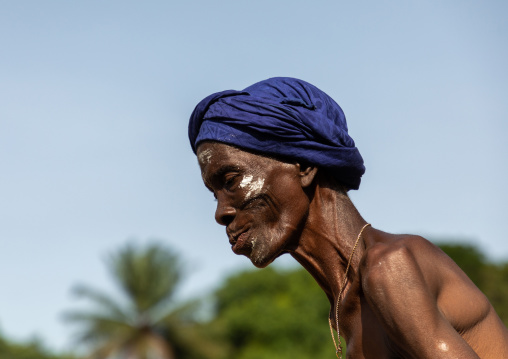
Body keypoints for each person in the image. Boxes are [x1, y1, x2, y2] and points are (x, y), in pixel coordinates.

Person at [188, 77, 508, 358]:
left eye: (230, 181)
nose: (221, 212)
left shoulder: (388, 269)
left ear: (304, 165)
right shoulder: (343, 312)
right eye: (213, 194)